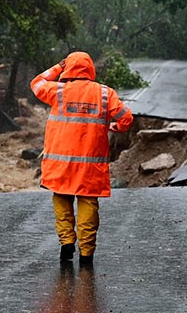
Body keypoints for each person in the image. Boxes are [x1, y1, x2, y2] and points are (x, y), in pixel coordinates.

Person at [30, 51, 134, 264]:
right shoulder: (105, 94)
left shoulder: (58, 91)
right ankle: (87, 253)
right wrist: (114, 127)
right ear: (90, 69)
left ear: (69, 69)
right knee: (88, 203)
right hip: (90, 166)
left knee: (61, 198)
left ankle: (66, 242)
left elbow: (36, 83)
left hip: (61, 164)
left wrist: (58, 67)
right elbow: (127, 118)